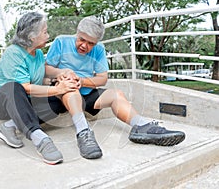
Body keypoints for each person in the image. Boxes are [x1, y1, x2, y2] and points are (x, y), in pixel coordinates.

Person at [45, 16, 186, 153]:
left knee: (116, 95)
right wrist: (62, 73)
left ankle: (141, 126)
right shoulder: (61, 42)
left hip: (86, 94)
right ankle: (83, 131)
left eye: (91, 44)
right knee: (69, 85)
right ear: (77, 33)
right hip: (60, 94)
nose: (84, 46)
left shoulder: (99, 49)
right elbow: (46, 69)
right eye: (82, 40)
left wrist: (82, 81)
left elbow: (102, 79)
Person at [0, 12, 80, 165]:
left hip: (23, 101)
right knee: (14, 87)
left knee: (59, 101)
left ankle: (10, 126)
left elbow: (45, 72)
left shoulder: (39, 53)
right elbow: (25, 88)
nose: (48, 35)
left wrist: (64, 74)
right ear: (32, 36)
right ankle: (39, 138)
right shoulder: (13, 52)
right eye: (45, 32)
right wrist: (58, 89)